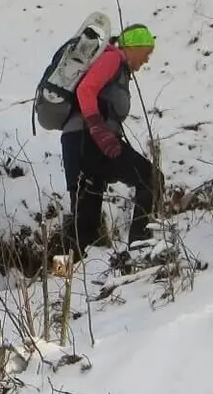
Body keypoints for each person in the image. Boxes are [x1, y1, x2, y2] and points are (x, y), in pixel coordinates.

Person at [61, 24, 158, 251]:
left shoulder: (119, 69)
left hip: (83, 141)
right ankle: (138, 247)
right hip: (88, 140)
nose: (146, 60)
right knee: (150, 178)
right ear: (133, 46)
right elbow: (85, 90)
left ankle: (62, 278)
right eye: (146, 53)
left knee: (83, 224)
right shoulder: (111, 59)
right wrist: (98, 129)